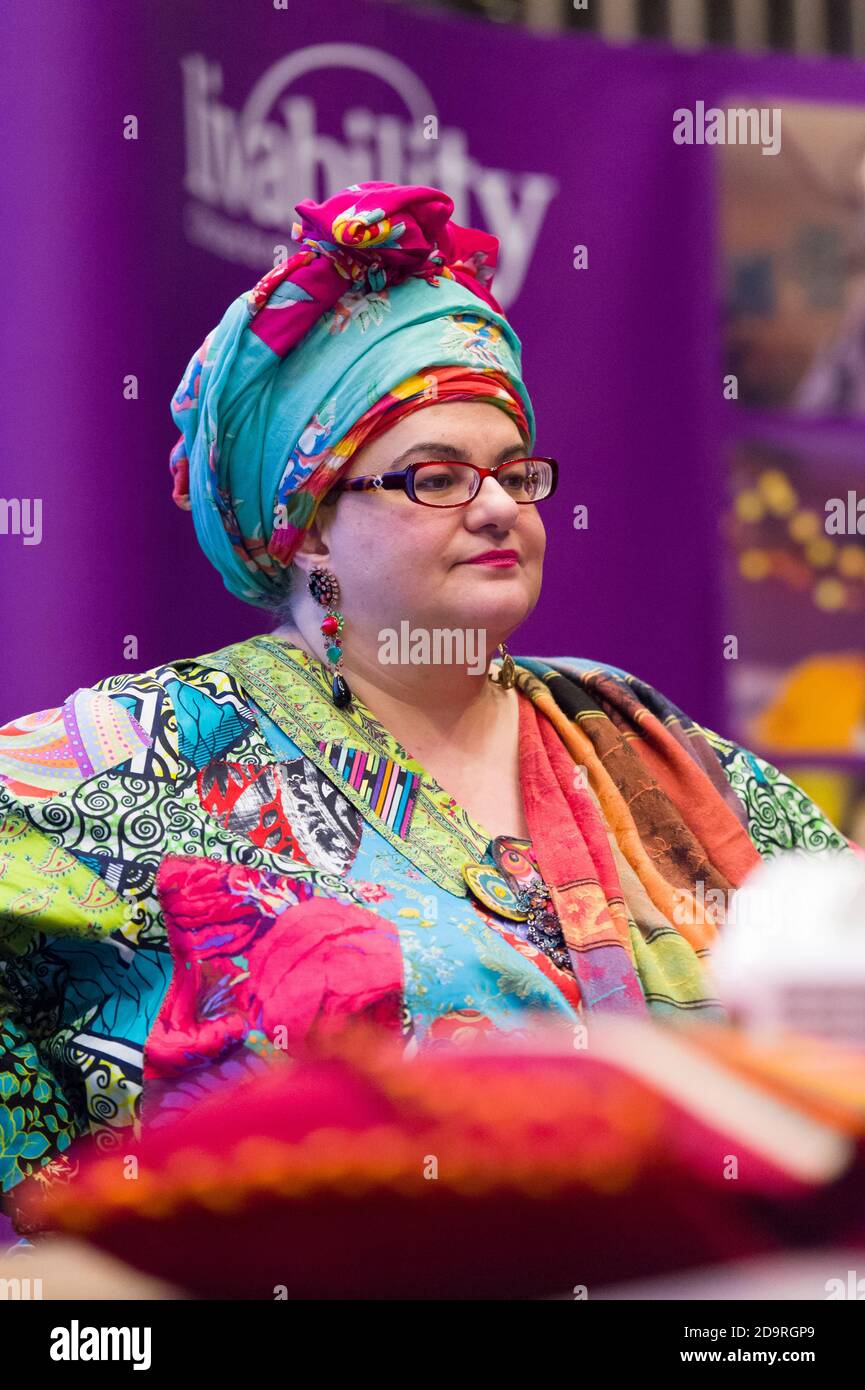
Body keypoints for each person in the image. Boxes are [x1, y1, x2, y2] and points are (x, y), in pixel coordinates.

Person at [0, 181, 861, 1229]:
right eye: (435, 477)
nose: (499, 504)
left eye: (513, 471)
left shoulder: (649, 746)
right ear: (306, 526)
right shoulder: (149, 755)